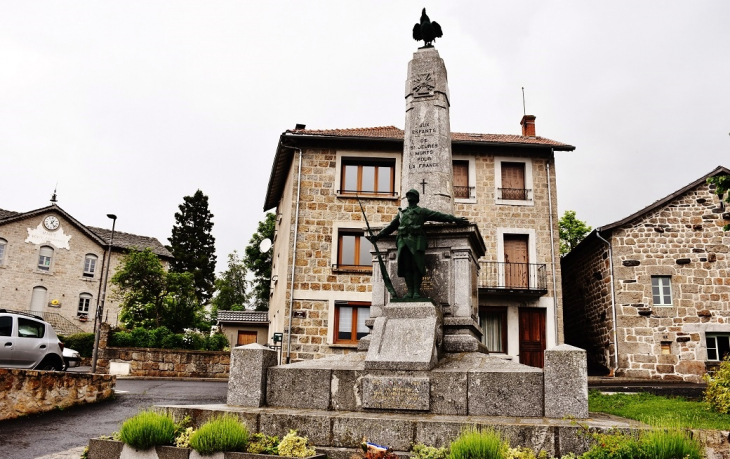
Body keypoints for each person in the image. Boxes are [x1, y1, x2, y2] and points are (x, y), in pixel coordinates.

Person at [368, 189, 467, 298]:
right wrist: (378, 236)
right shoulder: (402, 214)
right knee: (406, 268)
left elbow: (439, 216)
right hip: (403, 243)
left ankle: (416, 292)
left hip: (416, 243)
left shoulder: (422, 212)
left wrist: (455, 219)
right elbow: (391, 227)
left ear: (417, 198)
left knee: (416, 267)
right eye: (408, 195)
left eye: (412, 194)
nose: (410, 196)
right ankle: (410, 291)